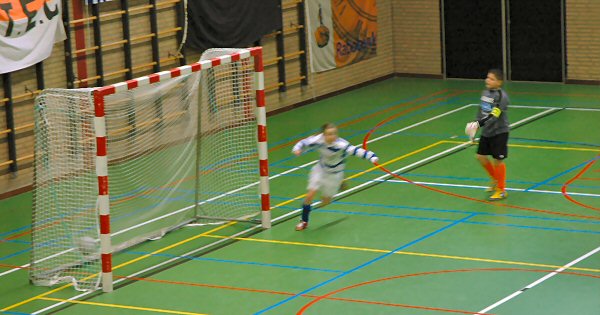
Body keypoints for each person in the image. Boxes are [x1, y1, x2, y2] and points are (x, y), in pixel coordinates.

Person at [292, 123, 379, 231]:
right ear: (324, 135)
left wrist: (372, 157)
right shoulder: (318, 140)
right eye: (329, 134)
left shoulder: (341, 145)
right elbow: (303, 143)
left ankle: (340, 180)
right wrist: (297, 149)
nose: (332, 136)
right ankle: (304, 221)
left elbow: (356, 151)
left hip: (335, 174)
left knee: (325, 202)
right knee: (310, 195)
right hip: (320, 170)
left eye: (334, 134)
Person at [467, 69, 510, 201]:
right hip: (487, 131)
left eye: (491, 79)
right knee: (480, 156)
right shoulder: (485, 93)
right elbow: (481, 110)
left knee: (498, 160)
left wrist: (479, 124)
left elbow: (493, 116)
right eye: (487, 78)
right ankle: (495, 179)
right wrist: (475, 124)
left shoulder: (502, 97)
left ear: (499, 82)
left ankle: (501, 190)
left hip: (499, 132)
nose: (487, 80)